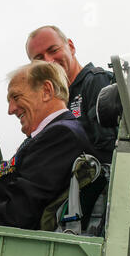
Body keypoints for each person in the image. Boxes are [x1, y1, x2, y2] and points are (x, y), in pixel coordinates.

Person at [0, 61, 96, 229]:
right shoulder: (48, 135)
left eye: (16, 97)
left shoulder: (61, 135)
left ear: (46, 91)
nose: (11, 109)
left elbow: (21, 211)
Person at [25, 25, 117, 164]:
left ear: (71, 47)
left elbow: (111, 150)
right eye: (39, 58)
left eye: (53, 50)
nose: (49, 61)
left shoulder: (95, 81)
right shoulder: (51, 104)